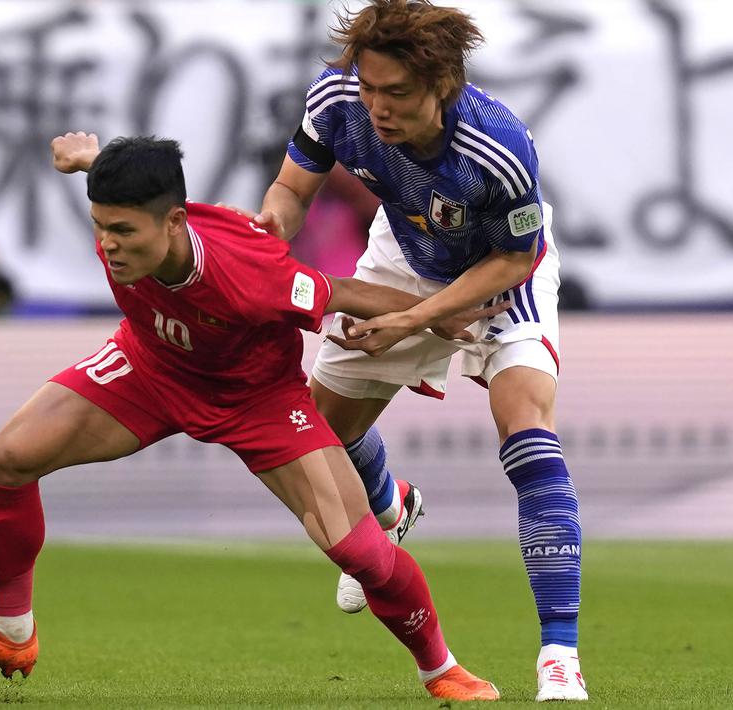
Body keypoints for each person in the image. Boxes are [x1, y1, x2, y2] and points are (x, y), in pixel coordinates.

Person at [0, 132, 508, 701]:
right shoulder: (139, 214)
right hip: (150, 366)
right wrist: (92, 158)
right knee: (9, 458)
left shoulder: (248, 273)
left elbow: (342, 290)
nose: (109, 244)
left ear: (173, 223)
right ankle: (9, 634)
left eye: (122, 231)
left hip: (257, 400)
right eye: (99, 228)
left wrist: (434, 313)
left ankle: (443, 668)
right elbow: (135, 182)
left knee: (360, 553)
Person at [236, 0, 588, 701]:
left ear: (442, 85)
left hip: (499, 275)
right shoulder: (336, 98)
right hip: (402, 258)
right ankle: (390, 504)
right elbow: (290, 188)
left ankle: (558, 653)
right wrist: (267, 230)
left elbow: (514, 260)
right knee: (316, 438)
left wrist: (417, 320)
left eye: (395, 93)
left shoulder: (498, 144)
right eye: (369, 88)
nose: (376, 108)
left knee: (529, 440)